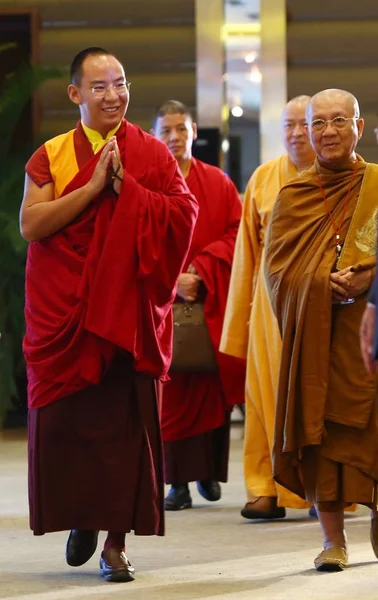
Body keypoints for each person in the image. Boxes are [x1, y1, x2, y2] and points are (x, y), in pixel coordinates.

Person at [20, 48, 198, 583]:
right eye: (99, 86)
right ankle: (81, 517)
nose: (113, 95)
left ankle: (115, 545)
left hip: (126, 317)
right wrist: (96, 187)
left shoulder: (150, 154)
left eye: (120, 83)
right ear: (75, 94)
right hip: (64, 315)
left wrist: (132, 191)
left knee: (125, 435)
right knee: (65, 431)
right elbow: (32, 225)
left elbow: (183, 214)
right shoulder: (51, 155)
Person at [264, 88, 378, 571]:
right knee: (323, 436)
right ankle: (334, 541)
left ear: (359, 126)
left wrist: (372, 279)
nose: (328, 132)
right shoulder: (293, 194)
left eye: (338, 121)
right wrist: (316, 283)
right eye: (318, 124)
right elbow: (276, 271)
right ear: (307, 132)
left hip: (372, 333)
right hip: (321, 338)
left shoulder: (377, 185)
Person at [220, 96, 315, 519]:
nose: (296, 133)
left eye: (304, 125)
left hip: (323, 302)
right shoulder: (263, 178)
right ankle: (265, 487)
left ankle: (324, 487)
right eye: (288, 125)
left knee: (318, 397)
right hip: (269, 305)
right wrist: (237, 322)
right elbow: (247, 253)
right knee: (262, 396)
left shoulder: (344, 177)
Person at [151, 100, 245, 510]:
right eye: (165, 130)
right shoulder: (147, 183)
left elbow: (237, 233)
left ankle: (207, 472)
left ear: (193, 133)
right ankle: (177, 485)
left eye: (181, 129)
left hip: (210, 302)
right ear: (155, 136)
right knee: (172, 394)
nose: (174, 137)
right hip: (163, 307)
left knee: (210, 385)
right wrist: (174, 281)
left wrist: (202, 270)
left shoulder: (218, 182)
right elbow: (138, 241)